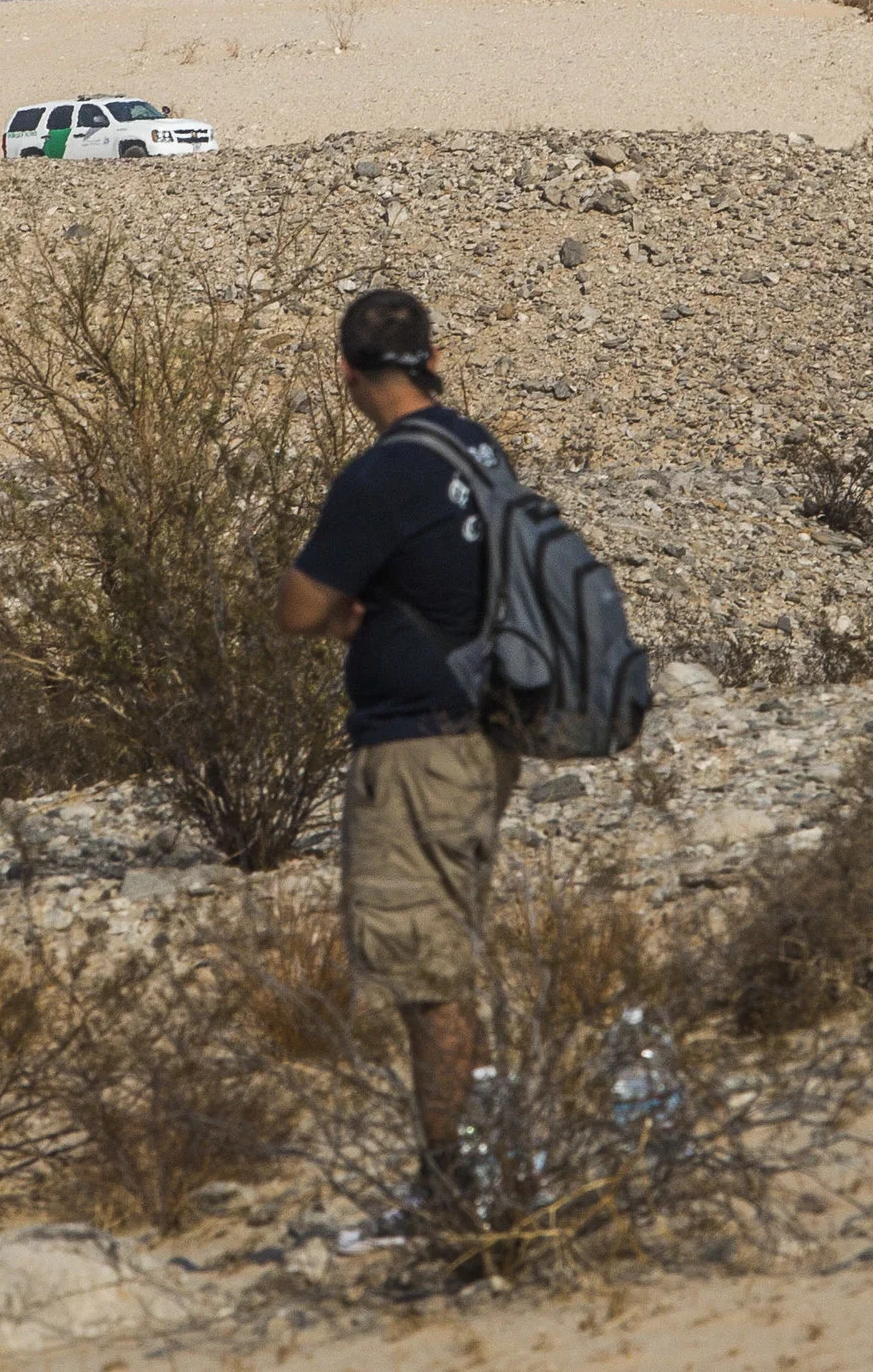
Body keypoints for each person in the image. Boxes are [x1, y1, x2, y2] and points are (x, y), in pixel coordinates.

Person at [278, 288, 517, 1208]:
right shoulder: (480, 449)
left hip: (417, 750)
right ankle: (481, 1152)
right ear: (432, 354)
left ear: (345, 370)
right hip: (484, 735)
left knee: (427, 974)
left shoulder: (384, 475)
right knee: (449, 956)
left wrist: (338, 611)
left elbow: (299, 605)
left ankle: (453, 1176)